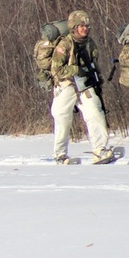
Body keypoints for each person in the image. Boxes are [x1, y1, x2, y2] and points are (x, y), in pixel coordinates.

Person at [49, 10, 115, 164]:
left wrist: (97, 79)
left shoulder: (89, 43)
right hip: (67, 85)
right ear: (73, 27)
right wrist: (75, 70)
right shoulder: (64, 44)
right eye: (81, 26)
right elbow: (56, 70)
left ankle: (100, 150)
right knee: (62, 118)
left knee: (95, 113)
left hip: (85, 84)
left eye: (86, 26)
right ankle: (60, 154)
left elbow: (93, 63)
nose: (85, 28)